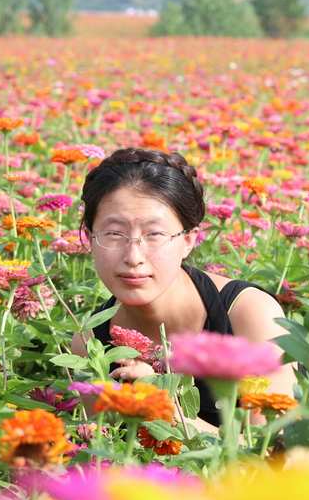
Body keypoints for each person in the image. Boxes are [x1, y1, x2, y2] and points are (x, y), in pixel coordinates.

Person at [68, 147, 295, 433]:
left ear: (189, 240)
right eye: (114, 233)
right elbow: (103, 447)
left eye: (155, 234)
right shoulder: (90, 342)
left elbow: (273, 453)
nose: (134, 256)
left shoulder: (249, 314)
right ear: (89, 238)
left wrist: (163, 408)